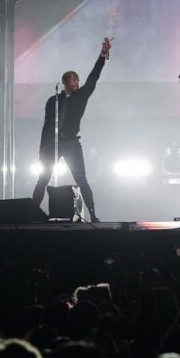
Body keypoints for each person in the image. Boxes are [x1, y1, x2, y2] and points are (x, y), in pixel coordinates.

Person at [31, 36, 111, 221]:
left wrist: (103, 54)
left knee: (81, 179)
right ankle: (32, 213)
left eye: (77, 80)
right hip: (53, 143)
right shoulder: (53, 101)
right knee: (43, 179)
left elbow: (94, 77)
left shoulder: (81, 96)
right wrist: (42, 148)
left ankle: (93, 214)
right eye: (74, 80)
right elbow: (46, 124)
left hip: (72, 143)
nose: (77, 83)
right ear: (66, 82)